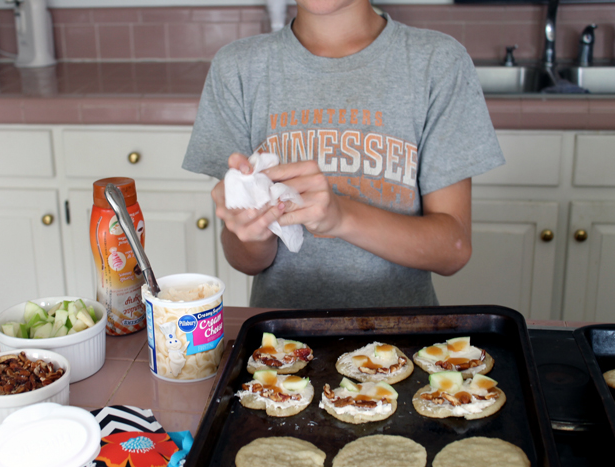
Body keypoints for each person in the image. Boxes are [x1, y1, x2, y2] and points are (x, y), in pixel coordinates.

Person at [182, 0, 505, 309]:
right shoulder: (237, 68)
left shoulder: (438, 62)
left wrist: (342, 216)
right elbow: (244, 259)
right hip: (281, 352)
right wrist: (254, 233)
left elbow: (453, 250)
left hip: (403, 346)